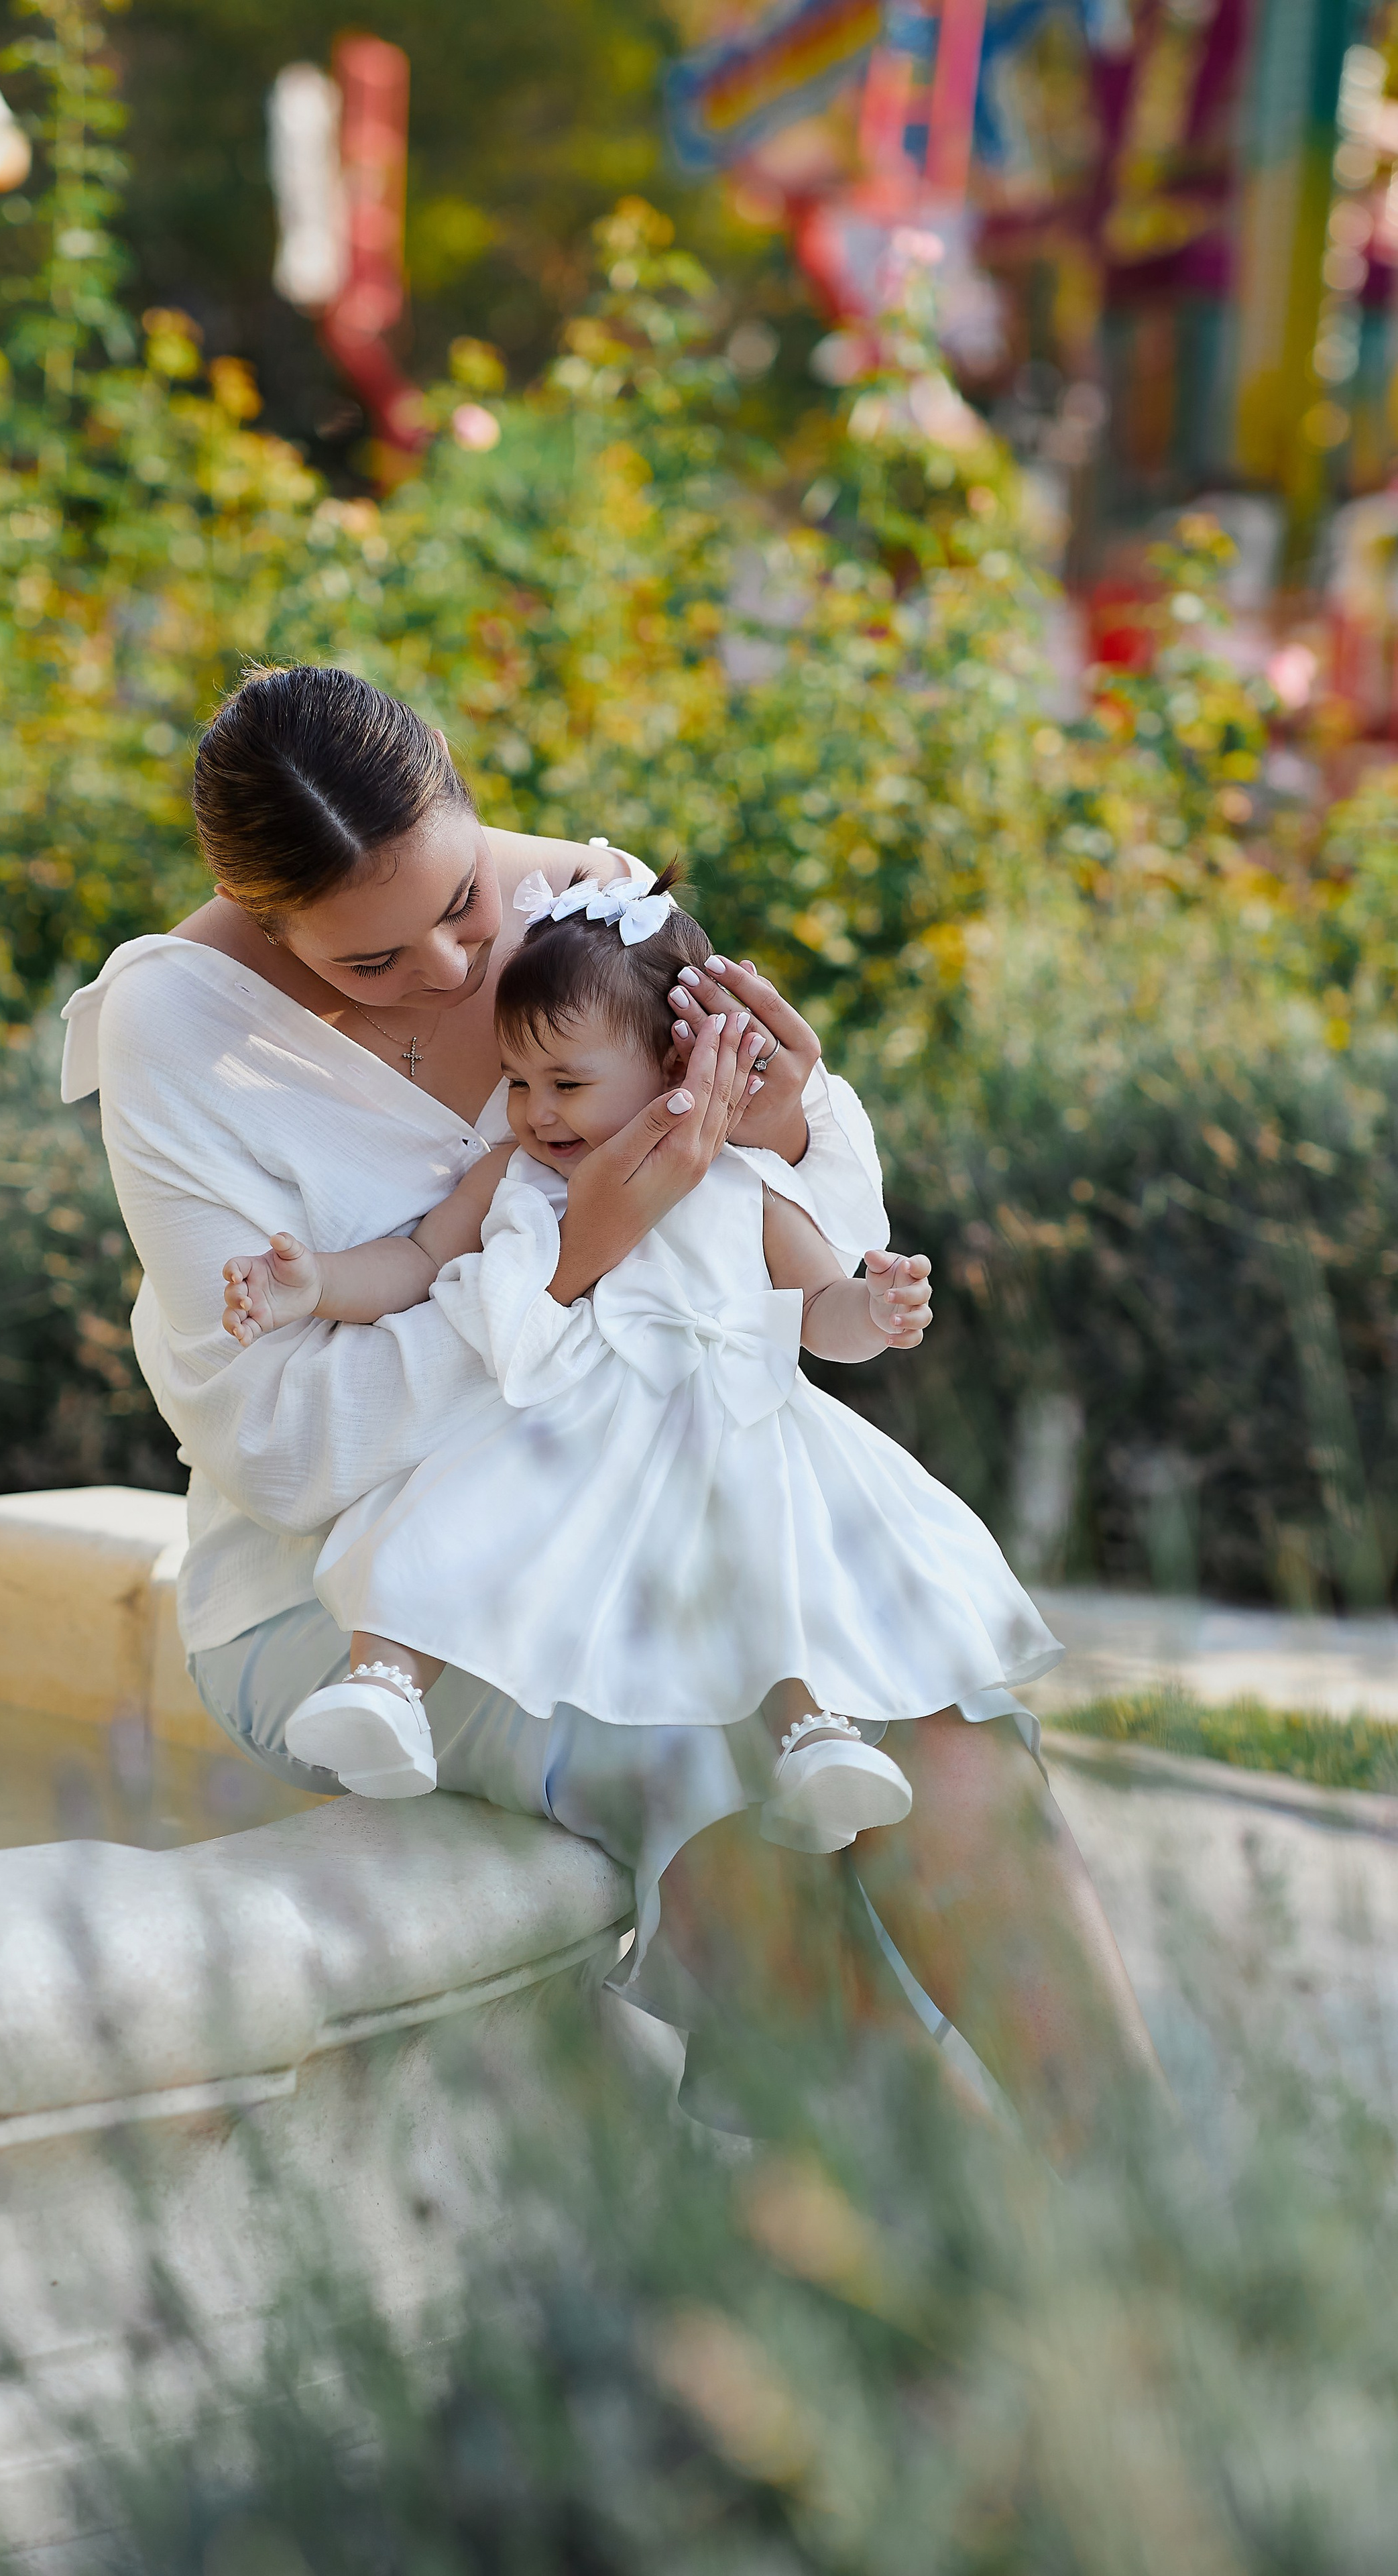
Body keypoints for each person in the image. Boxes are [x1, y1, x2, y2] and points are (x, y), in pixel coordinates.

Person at [60, 661, 1163, 2158]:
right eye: (371, 959)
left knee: (941, 1725)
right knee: (706, 1767)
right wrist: (569, 1266)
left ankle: (1143, 2196)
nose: (449, 968)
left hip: (665, 1505)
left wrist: (788, 1122)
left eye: (463, 902)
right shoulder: (180, 1036)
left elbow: (777, 1263)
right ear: (261, 916)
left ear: (464, 801)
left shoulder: (592, 910)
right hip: (366, 1590)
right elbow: (284, 1449)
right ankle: (931, 2231)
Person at [217, 862, 1059, 1890]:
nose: (536, 1111)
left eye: (567, 1083)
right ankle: (387, 1689)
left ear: (675, 1065)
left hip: (724, 1423)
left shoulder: (741, 1179)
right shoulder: (516, 1174)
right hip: (561, 1418)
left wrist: (876, 1310)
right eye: (518, 1081)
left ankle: (815, 1738)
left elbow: (819, 1310)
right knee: (449, 1520)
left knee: (770, 1565)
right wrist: (314, 1283)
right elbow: (420, 1261)